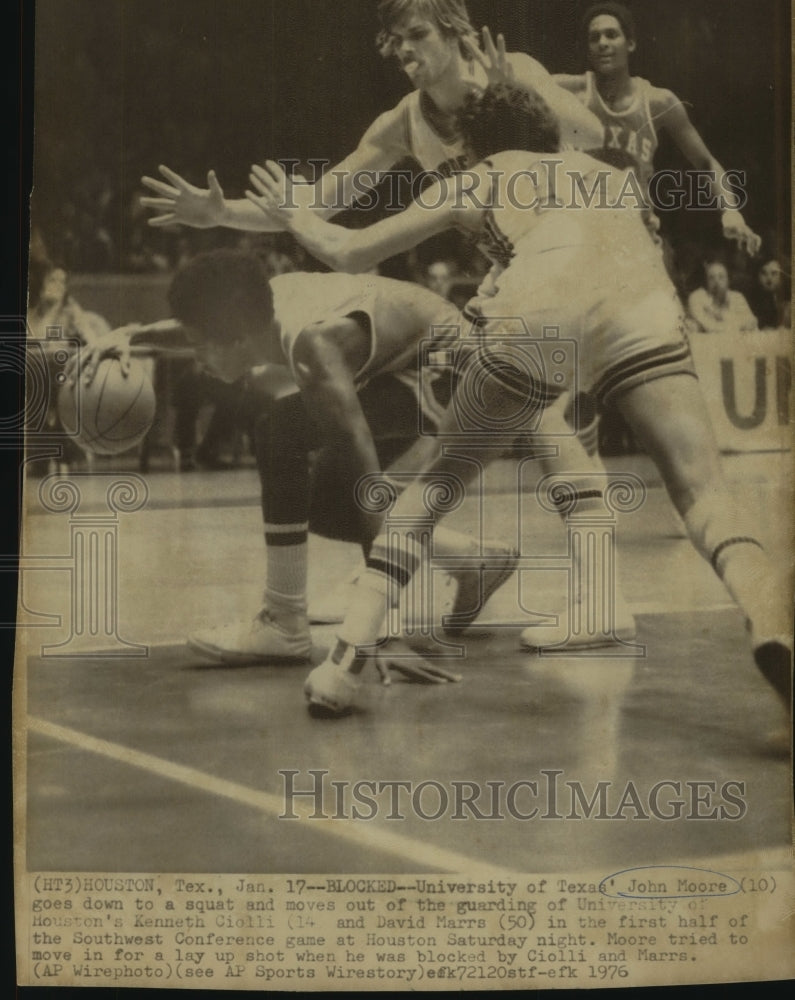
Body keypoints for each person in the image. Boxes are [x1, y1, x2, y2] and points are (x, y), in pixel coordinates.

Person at [246, 84, 792, 718]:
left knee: (435, 486)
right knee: (705, 492)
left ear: (474, 144)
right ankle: (768, 612)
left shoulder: (476, 177)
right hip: (638, 301)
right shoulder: (606, 174)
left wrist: (293, 212)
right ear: (551, 134)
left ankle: (344, 662)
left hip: (543, 310)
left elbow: (348, 250)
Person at [80, 249, 518, 674]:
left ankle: (284, 621)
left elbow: (365, 476)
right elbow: (202, 327)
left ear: (233, 337)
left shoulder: (313, 344)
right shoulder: (256, 310)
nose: (197, 358)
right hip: (406, 360)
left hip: (452, 370)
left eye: (199, 346)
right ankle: (470, 560)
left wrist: (383, 629)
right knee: (319, 504)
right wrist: (133, 334)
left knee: (286, 432)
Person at [553, 1, 761, 256]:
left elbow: (706, 163)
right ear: (588, 49)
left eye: (611, 34)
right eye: (594, 37)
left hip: (637, 238)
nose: (603, 43)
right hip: (584, 236)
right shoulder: (572, 91)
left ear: (630, 44)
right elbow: (523, 74)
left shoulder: (657, 101)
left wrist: (731, 210)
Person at [686, 259, 759, 333]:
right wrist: (739, 325)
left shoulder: (737, 297)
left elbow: (751, 322)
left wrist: (722, 317)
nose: (716, 282)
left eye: (721, 277)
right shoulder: (696, 297)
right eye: (711, 278)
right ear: (705, 280)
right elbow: (709, 327)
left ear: (728, 280)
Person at [748, 257, 791, 331]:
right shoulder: (752, 300)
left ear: (781, 276)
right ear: (757, 277)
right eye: (764, 273)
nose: (769, 278)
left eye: (774, 273)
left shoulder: (789, 297)